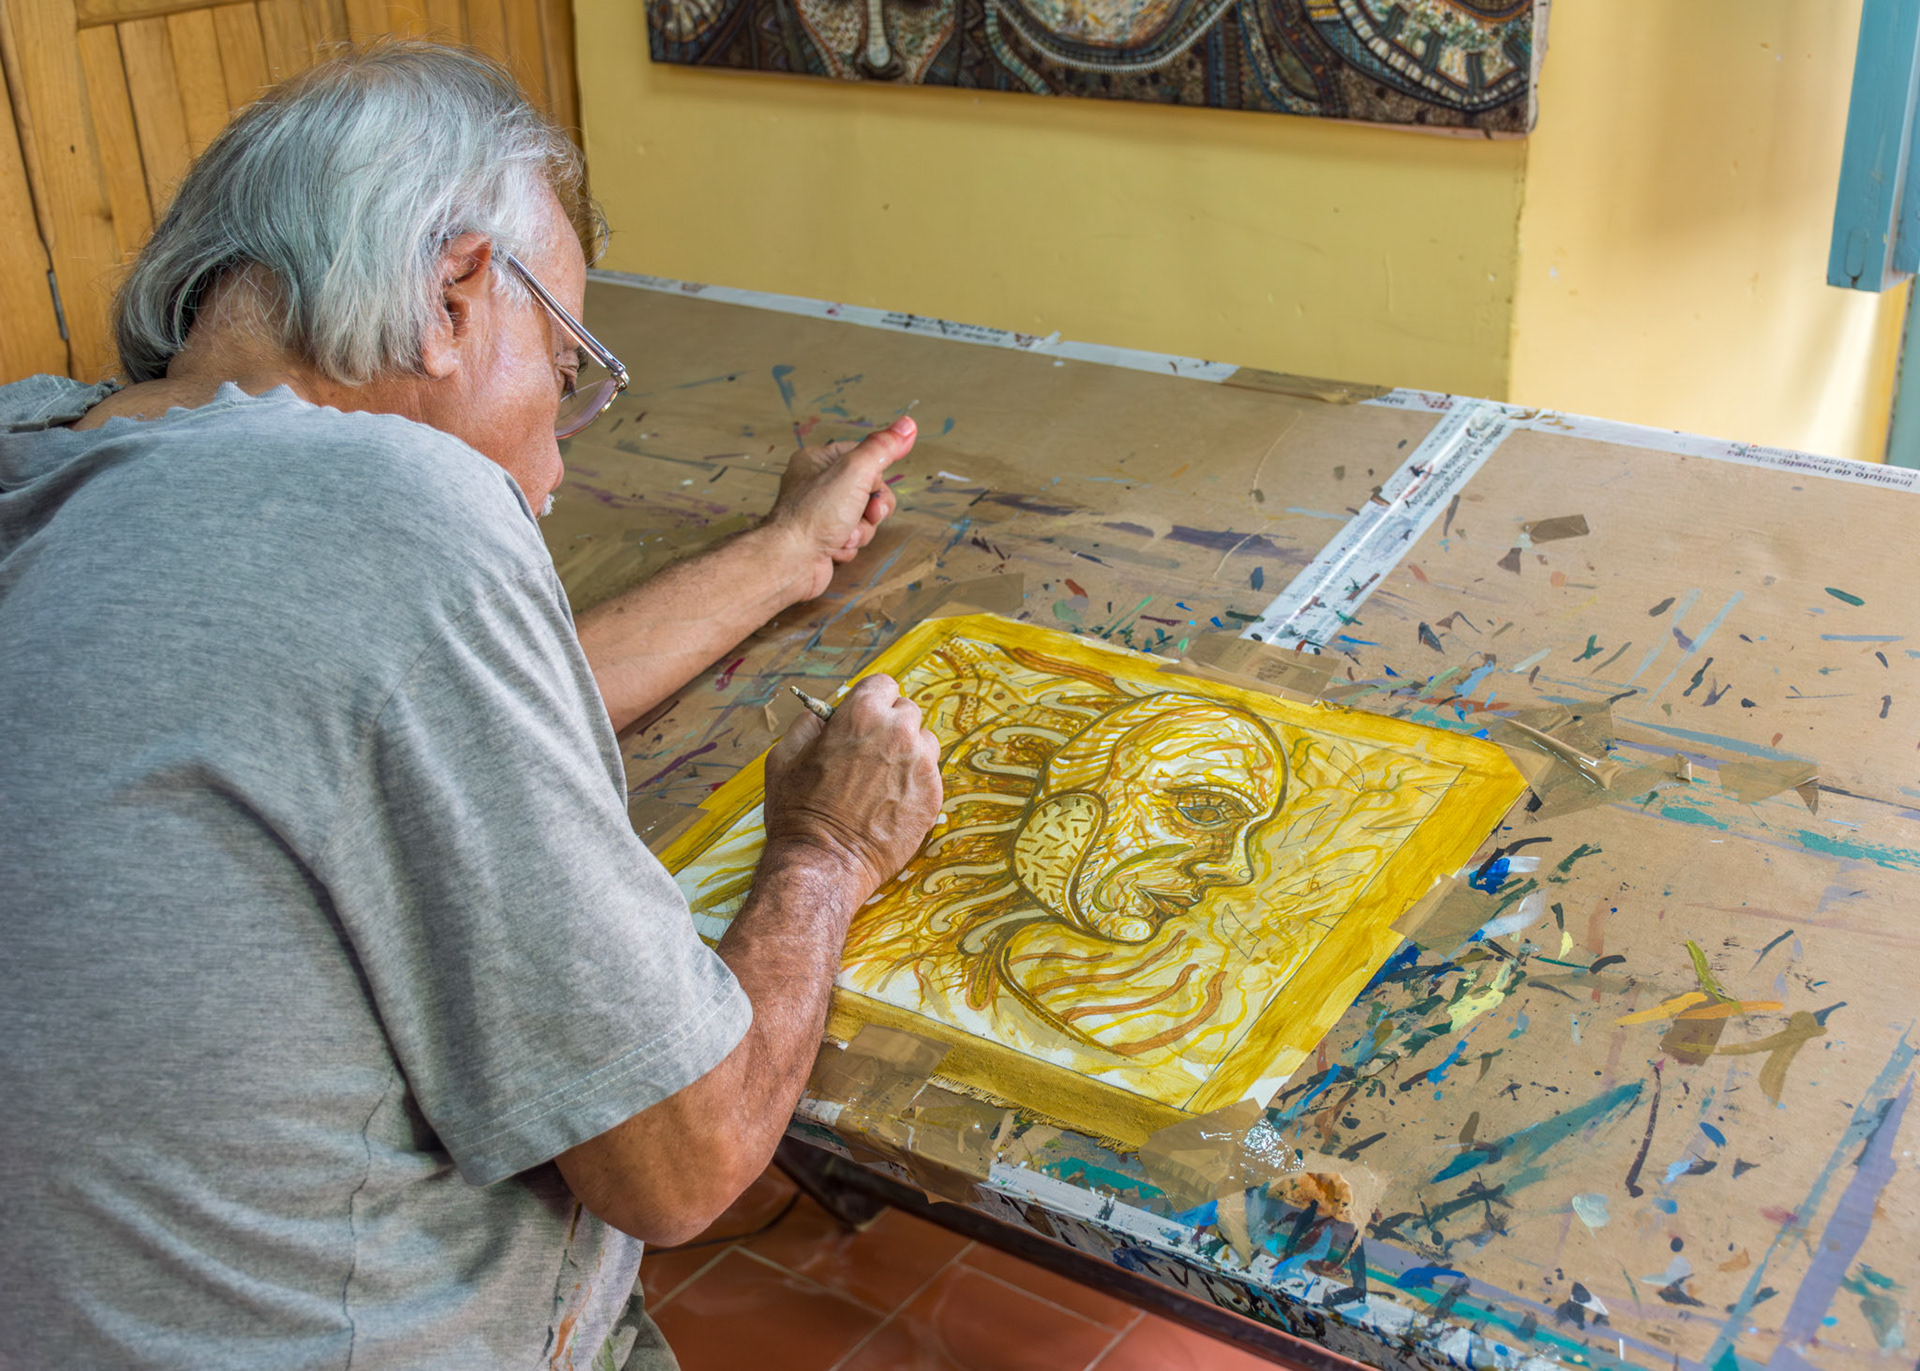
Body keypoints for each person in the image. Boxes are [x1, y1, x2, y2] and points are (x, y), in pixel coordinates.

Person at [0, 41, 942, 1370]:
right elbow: (685, 1161)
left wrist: (785, 557)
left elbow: (405, 726)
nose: (551, 471)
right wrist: (828, 849)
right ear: (453, 296)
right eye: (563, 373)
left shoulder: (46, 455)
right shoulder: (392, 507)